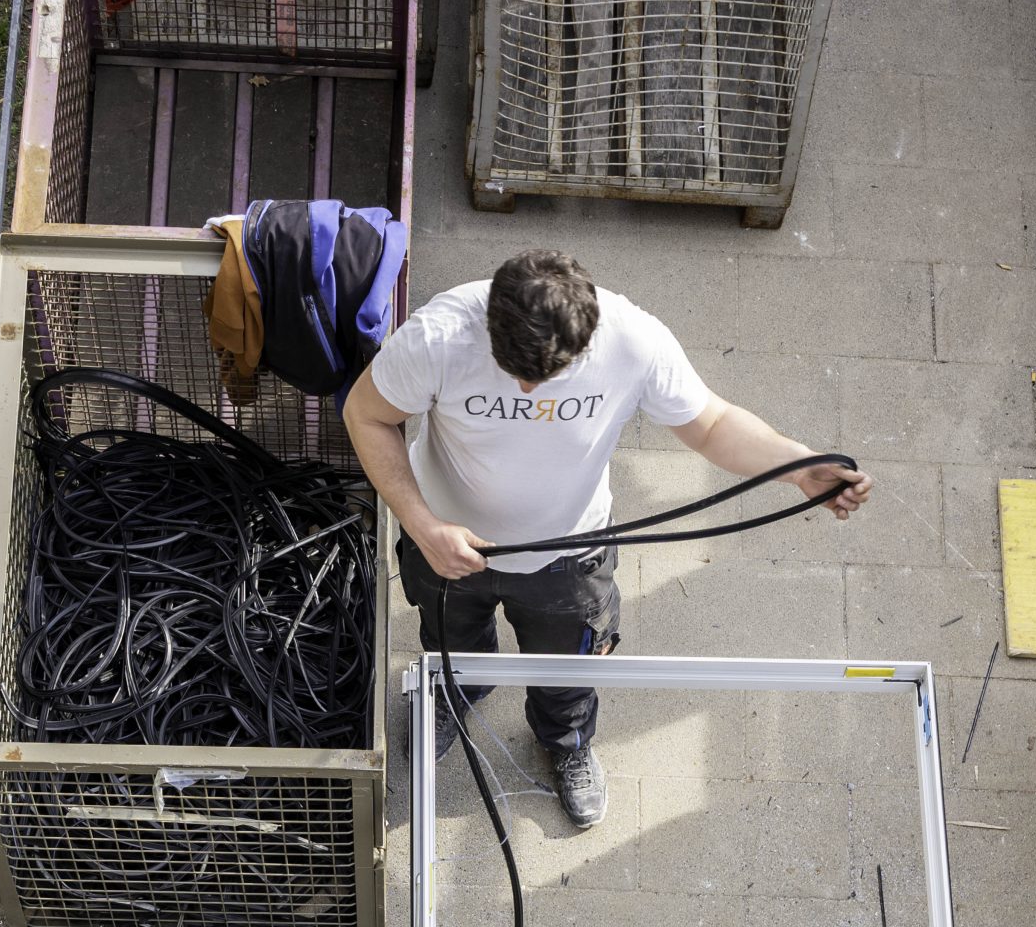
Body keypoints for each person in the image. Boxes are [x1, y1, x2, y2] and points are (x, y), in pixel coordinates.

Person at [344, 249, 871, 828]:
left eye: (545, 377)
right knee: (450, 637)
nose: (525, 390)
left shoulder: (635, 341)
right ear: (490, 320)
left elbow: (713, 424)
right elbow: (366, 415)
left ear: (587, 338)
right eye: (513, 371)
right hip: (442, 547)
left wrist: (799, 467)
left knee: (567, 668)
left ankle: (565, 741)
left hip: (569, 556)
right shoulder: (439, 335)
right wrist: (422, 525)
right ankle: (457, 690)